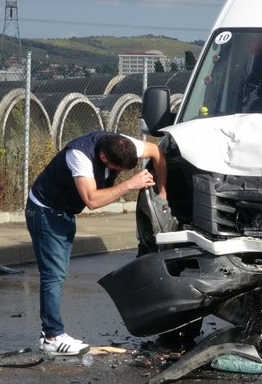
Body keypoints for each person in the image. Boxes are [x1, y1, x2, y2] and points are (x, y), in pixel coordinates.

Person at [25, 131, 167, 356]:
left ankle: (48, 334)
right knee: (53, 275)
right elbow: (91, 200)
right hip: (46, 212)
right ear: (103, 158)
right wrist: (130, 184)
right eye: (117, 169)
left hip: (65, 212)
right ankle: (53, 336)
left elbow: (157, 151)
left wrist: (163, 192)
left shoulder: (122, 143)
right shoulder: (79, 155)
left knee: (57, 274)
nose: (117, 173)